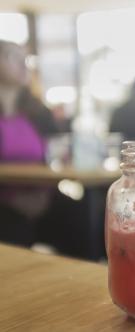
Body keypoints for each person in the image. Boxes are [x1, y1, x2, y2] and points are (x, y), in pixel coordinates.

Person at [0, 40, 58, 245]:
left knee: (85, 214)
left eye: (25, 58)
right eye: (12, 56)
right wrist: (12, 200)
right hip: (4, 202)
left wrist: (44, 195)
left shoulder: (39, 113)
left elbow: (57, 156)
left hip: (44, 196)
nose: (24, 64)